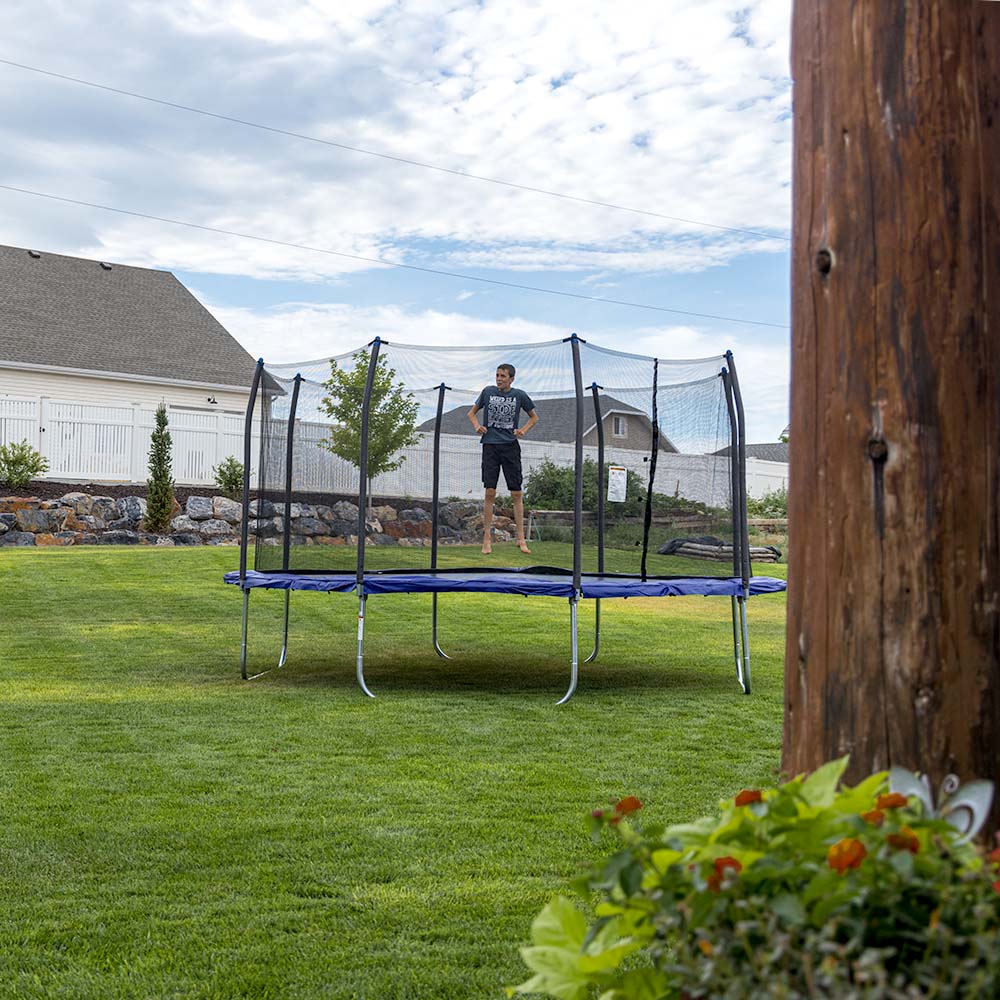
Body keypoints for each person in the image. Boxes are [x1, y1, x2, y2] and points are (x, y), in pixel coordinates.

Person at [467, 363, 538, 555]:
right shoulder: (487, 392)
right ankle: (487, 539)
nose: (499, 379)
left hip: (510, 447)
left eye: (503, 376)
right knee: (490, 491)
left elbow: (533, 417)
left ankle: (521, 539)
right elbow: (471, 413)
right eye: (497, 375)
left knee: (516, 493)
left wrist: (523, 430)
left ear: (511, 379)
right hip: (490, 445)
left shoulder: (519, 395)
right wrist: (477, 426)